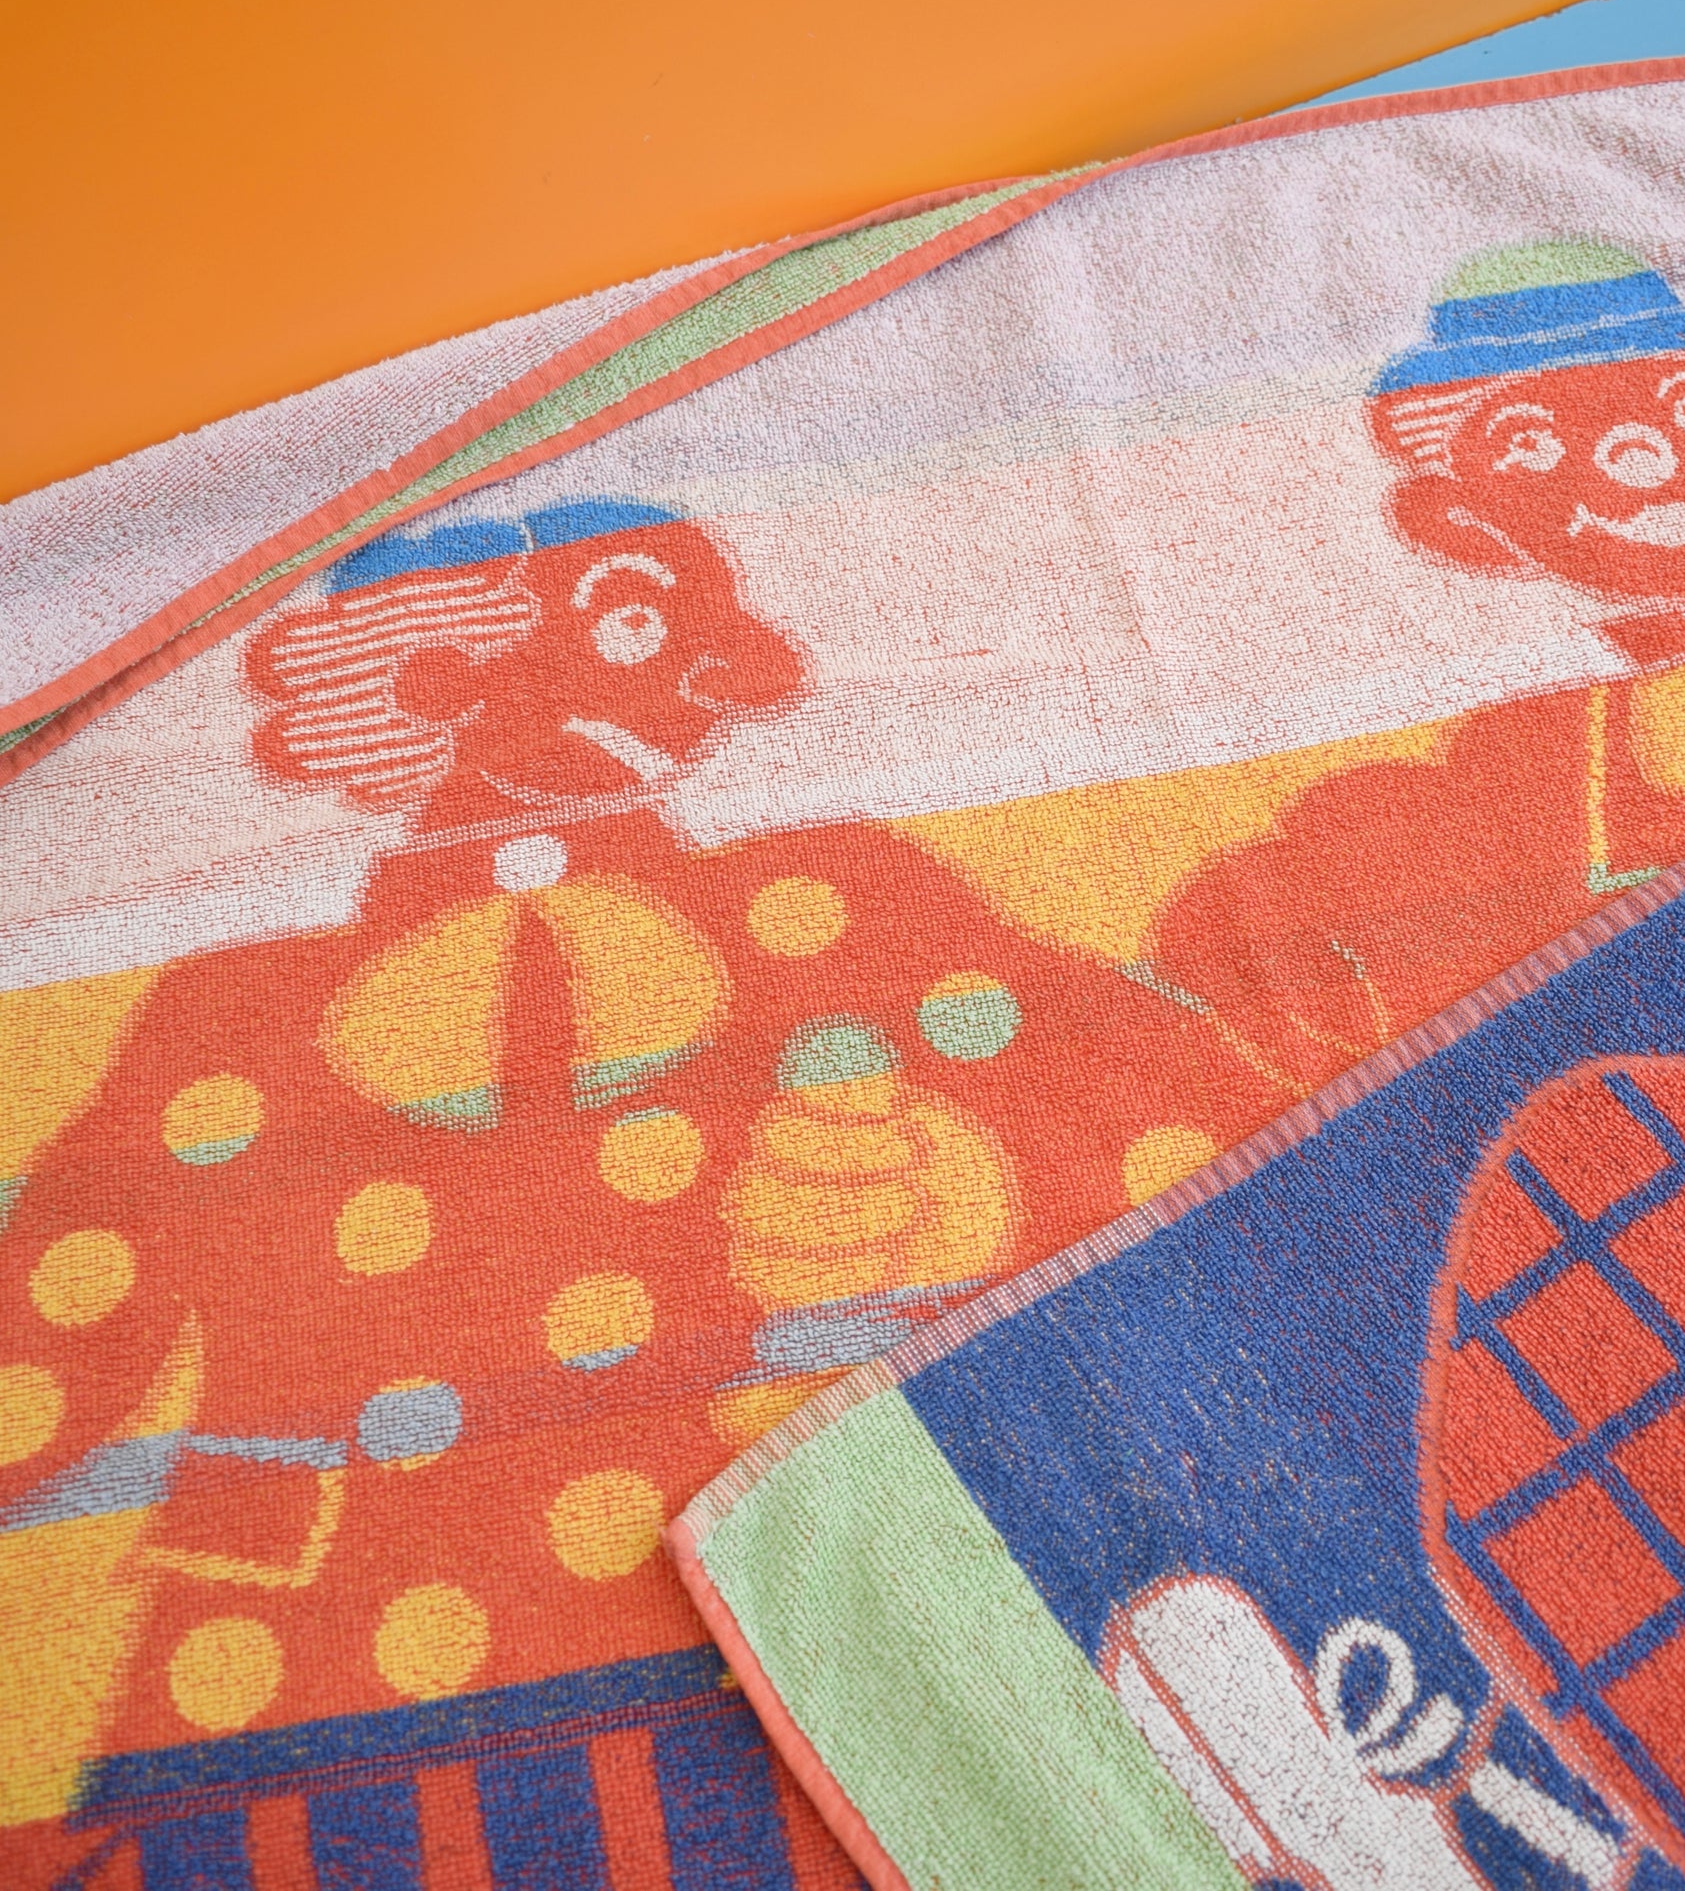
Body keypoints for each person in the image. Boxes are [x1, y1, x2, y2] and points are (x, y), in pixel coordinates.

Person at [0, 497, 1286, 1797]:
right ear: (447, 675)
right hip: (311, 1679)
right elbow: (47, 1348)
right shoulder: (231, 1018)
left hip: (812, 1619)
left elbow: (1182, 1116)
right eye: (632, 625)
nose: (741, 669)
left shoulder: (833, 903)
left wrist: (953, 1192)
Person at [1154, 240, 1685, 1088]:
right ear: (1466, 526)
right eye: (1532, 445)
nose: (1640, 460)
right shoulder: (1534, 754)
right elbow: (1305, 888)